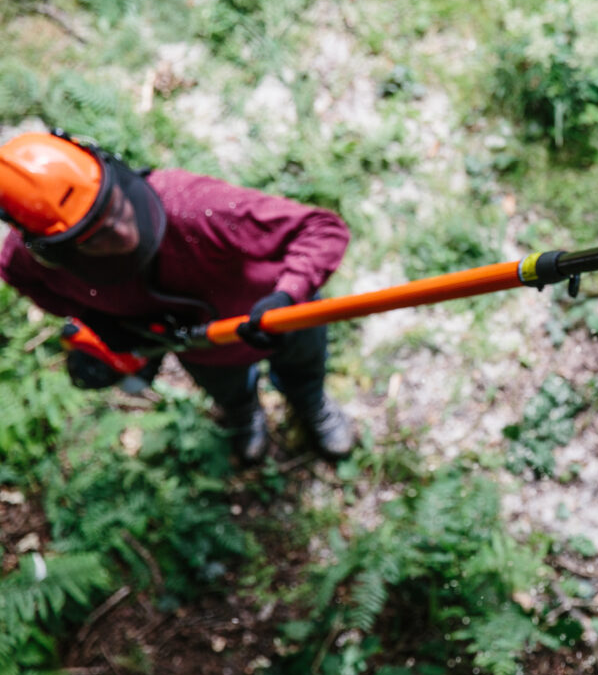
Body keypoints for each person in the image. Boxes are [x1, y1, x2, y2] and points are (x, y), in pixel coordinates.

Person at [0, 128, 355, 464]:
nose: (123, 231)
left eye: (115, 207)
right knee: (227, 390)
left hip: (286, 318)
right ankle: (244, 414)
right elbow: (24, 279)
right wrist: (96, 320)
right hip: (203, 350)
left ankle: (311, 404)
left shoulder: (192, 206)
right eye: (95, 237)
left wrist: (288, 295)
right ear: (51, 250)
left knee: (304, 367)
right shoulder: (28, 263)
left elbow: (320, 228)